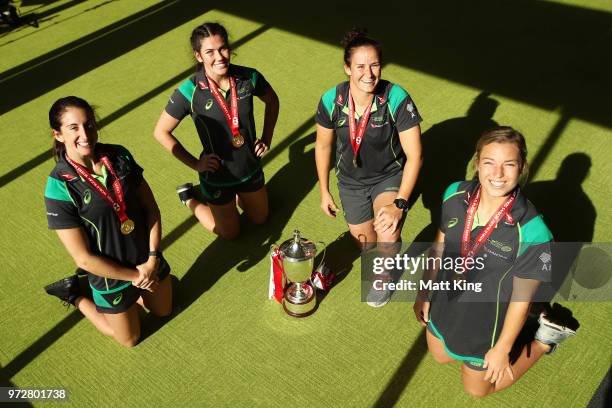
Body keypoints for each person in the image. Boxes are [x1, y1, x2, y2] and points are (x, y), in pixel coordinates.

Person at [412, 126, 579, 397]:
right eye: (489, 163)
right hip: (447, 300)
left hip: (488, 321)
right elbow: (439, 245)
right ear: (477, 163)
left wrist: (502, 348)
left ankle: (546, 339)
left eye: (509, 164)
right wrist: (423, 292)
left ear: (522, 167)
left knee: (478, 390)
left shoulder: (534, 232)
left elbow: (520, 299)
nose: (498, 174)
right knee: (441, 355)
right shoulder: (453, 194)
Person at [44, 96, 172, 347]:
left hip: (146, 261)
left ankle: (136, 294)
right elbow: (83, 259)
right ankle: (75, 295)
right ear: (58, 135)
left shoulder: (119, 155)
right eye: (74, 128)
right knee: (130, 339)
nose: (85, 134)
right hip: (109, 277)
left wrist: (152, 259)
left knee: (164, 311)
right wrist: (134, 276)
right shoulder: (58, 187)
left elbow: (151, 209)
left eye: (89, 124)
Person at [314, 28, 422, 306]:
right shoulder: (331, 101)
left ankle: (385, 276)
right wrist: (324, 191)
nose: (369, 73)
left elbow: (415, 156)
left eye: (374, 65)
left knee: (387, 227)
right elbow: (323, 146)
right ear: (347, 68)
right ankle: (386, 253)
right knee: (366, 242)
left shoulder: (396, 98)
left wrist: (399, 202)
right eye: (360, 66)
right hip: (350, 182)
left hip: (389, 176)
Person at [154, 22, 280, 240]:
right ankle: (189, 198)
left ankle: (241, 197)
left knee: (261, 219)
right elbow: (161, 132)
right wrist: (195, 163)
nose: (219, 57)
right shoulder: (189, 91)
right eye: (209, 52)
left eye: (222, 48)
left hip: (249, 167)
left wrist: (266, 137)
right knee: (229, 233)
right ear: (198, 56)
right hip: (216, 175)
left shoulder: (248, 77)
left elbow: (272, 101)